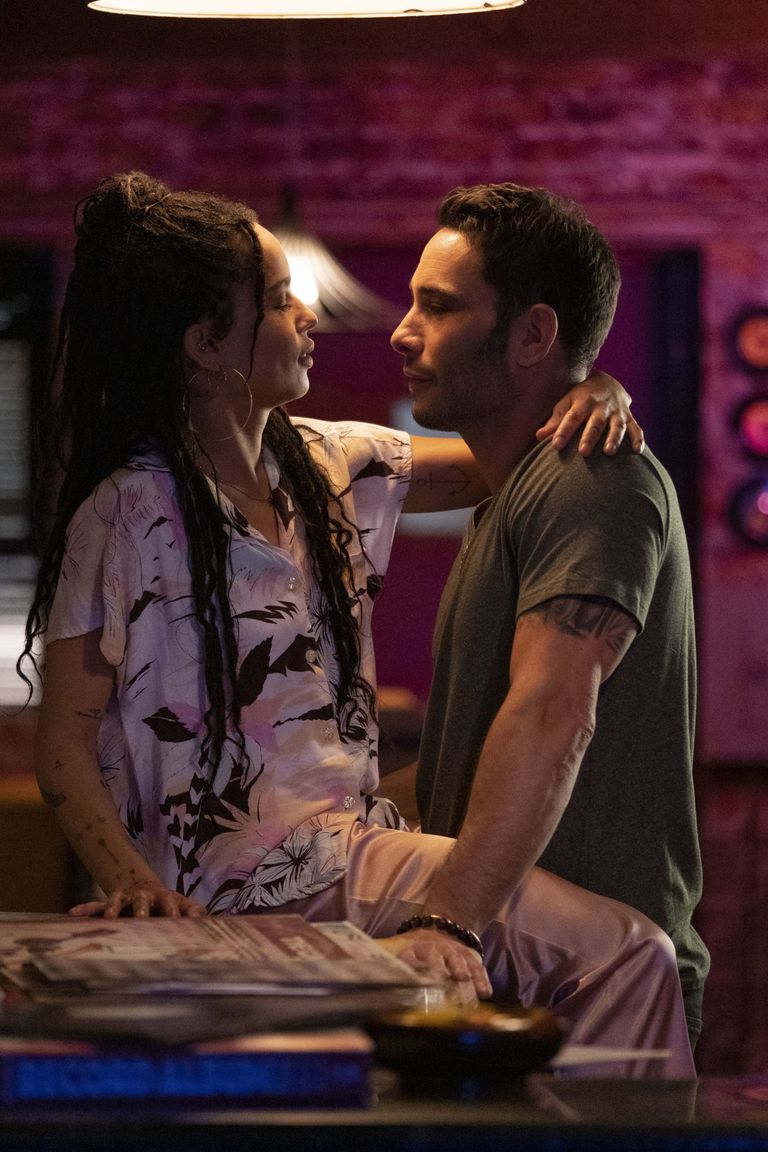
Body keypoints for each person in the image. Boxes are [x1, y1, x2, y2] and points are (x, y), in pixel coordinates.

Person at [22, 171, 693, 1076]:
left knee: (597, 960)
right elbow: (63, 744)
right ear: (206, 344)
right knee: (627, 952)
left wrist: (594, 383)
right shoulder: (123, 512)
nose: (310, 315)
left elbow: (517, 446)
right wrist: (136, 889)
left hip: (343, 857)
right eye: (277, 298)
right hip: (248, 877)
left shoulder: (331, 462)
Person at [390, 182, 709, 1051]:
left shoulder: (588, 480)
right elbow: (464, 764)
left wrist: (448, 918)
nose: (403, 332)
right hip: (512, 960)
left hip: (599, 988)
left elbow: (552, 713)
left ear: (533, 335)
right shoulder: (518, 493)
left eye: (438, 307)